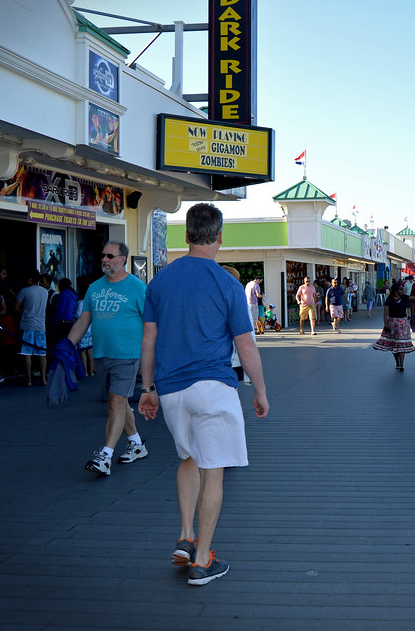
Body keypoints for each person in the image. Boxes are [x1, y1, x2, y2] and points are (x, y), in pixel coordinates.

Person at [138, 203, 269, 587]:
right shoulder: (227, 283)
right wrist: (259, 391)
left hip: (172, 390)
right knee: (214, 471)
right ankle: (202, 560)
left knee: (188, 459)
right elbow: (246, 347)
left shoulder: (159, 282)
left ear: (187, 235)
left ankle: (185, 534)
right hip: (213, 387)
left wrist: (148, 389)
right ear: (220, 236)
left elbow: (149, 340)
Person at [68, 241, 148, 477]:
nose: (105, 259)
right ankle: (136, 444)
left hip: (127, 355)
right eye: (103, 255)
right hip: (101, 355)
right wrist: (67, 345)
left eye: (110, 256)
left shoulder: (137, 287)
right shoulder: (94, 288)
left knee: (115, 402)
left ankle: (105, 456)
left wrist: (150, 358)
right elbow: (84, 320)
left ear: (123, 259)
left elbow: (152, 324)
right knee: (119, 403)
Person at [16, 270, 49, 387]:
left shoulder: (24, 291)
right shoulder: (45, 292)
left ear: (30, 279)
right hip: (41, 325)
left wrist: (25, 311)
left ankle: (28, 379)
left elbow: (17, 307)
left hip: (27, 325)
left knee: (27, 353)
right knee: (42, 353)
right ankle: (43, 378)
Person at [372, 282, 415, 371]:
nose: (403, 290)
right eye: (401, 289)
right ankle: (397, 363)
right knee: (394, 344)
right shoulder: (390, 299)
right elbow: (385, 312)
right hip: (392, 323)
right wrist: (385, 323)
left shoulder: (405, 298)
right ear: (396, 291)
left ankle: (401, 365)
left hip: (402, 323)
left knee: (401, 343)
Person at [75, 276, 95, 376]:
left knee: (82, 351)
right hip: (91, 327)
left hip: (83, 328)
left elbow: (79, 315)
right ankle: (91, 370)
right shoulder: (91, 300)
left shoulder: (80, 302)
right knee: (89, 350)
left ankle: (85, 371)